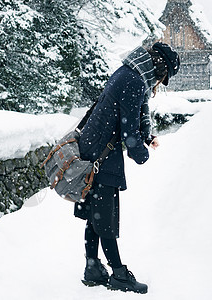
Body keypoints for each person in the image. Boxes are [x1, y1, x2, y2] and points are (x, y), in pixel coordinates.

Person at [74, 42, 180, 294]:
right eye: (163, 77)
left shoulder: (129, 73)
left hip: (94, 147)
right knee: (105, 215)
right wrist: (141, 154)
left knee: (95, 214)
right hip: (102, 152)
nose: (159, 83)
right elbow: (128, 129)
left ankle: (92, 268)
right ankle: (119, 274)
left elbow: (135, 113)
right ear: (159, 68)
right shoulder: (133, 81)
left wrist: (147, 136)